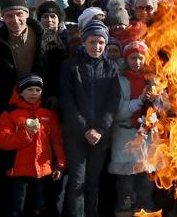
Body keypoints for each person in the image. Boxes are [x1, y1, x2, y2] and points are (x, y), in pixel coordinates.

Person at [0, 0, 50, 216]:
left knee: (36, 181)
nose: (15, 20)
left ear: (27, 14)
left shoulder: (48, 41)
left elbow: (56, 78)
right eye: (9, 16)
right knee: (2, 178)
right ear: (1, 17)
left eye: (19, 14)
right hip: (3, 118)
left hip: (39, 118)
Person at [60, 20, 121, 217]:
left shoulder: (111, 67)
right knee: (77, 181)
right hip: (76, 134)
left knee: (93, 181)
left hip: (99, 135)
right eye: (92, 42)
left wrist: (100, 129)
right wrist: (85, 128)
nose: (97, 46)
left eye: (101, 42)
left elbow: (113, 102)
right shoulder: (71, 66)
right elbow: (67, 101)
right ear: (84, 42)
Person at [0, 74, 66, 217]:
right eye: (29, 90)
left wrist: (59, 165)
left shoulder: (48, 114)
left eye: (37, 90)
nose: (34, 93)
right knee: (19, 209)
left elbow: (57, 142)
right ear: (20, 92)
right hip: (18, 173)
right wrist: (26, 135)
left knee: (42, 207)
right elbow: (3, 141)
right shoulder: (9, 114)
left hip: (43, 171)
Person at [109, 40, 164, 216]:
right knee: (125, 185)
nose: (137, 62)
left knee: (145, 185)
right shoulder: (120, 81)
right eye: (133, 58)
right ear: (127, 59)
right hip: (125, 138)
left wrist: (156, 100)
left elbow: (165, 107)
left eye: (140, 58)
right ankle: (125, 212)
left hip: (147, 140)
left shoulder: (153, 80)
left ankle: (145, 212)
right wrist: (139, 100)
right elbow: (118, 112)